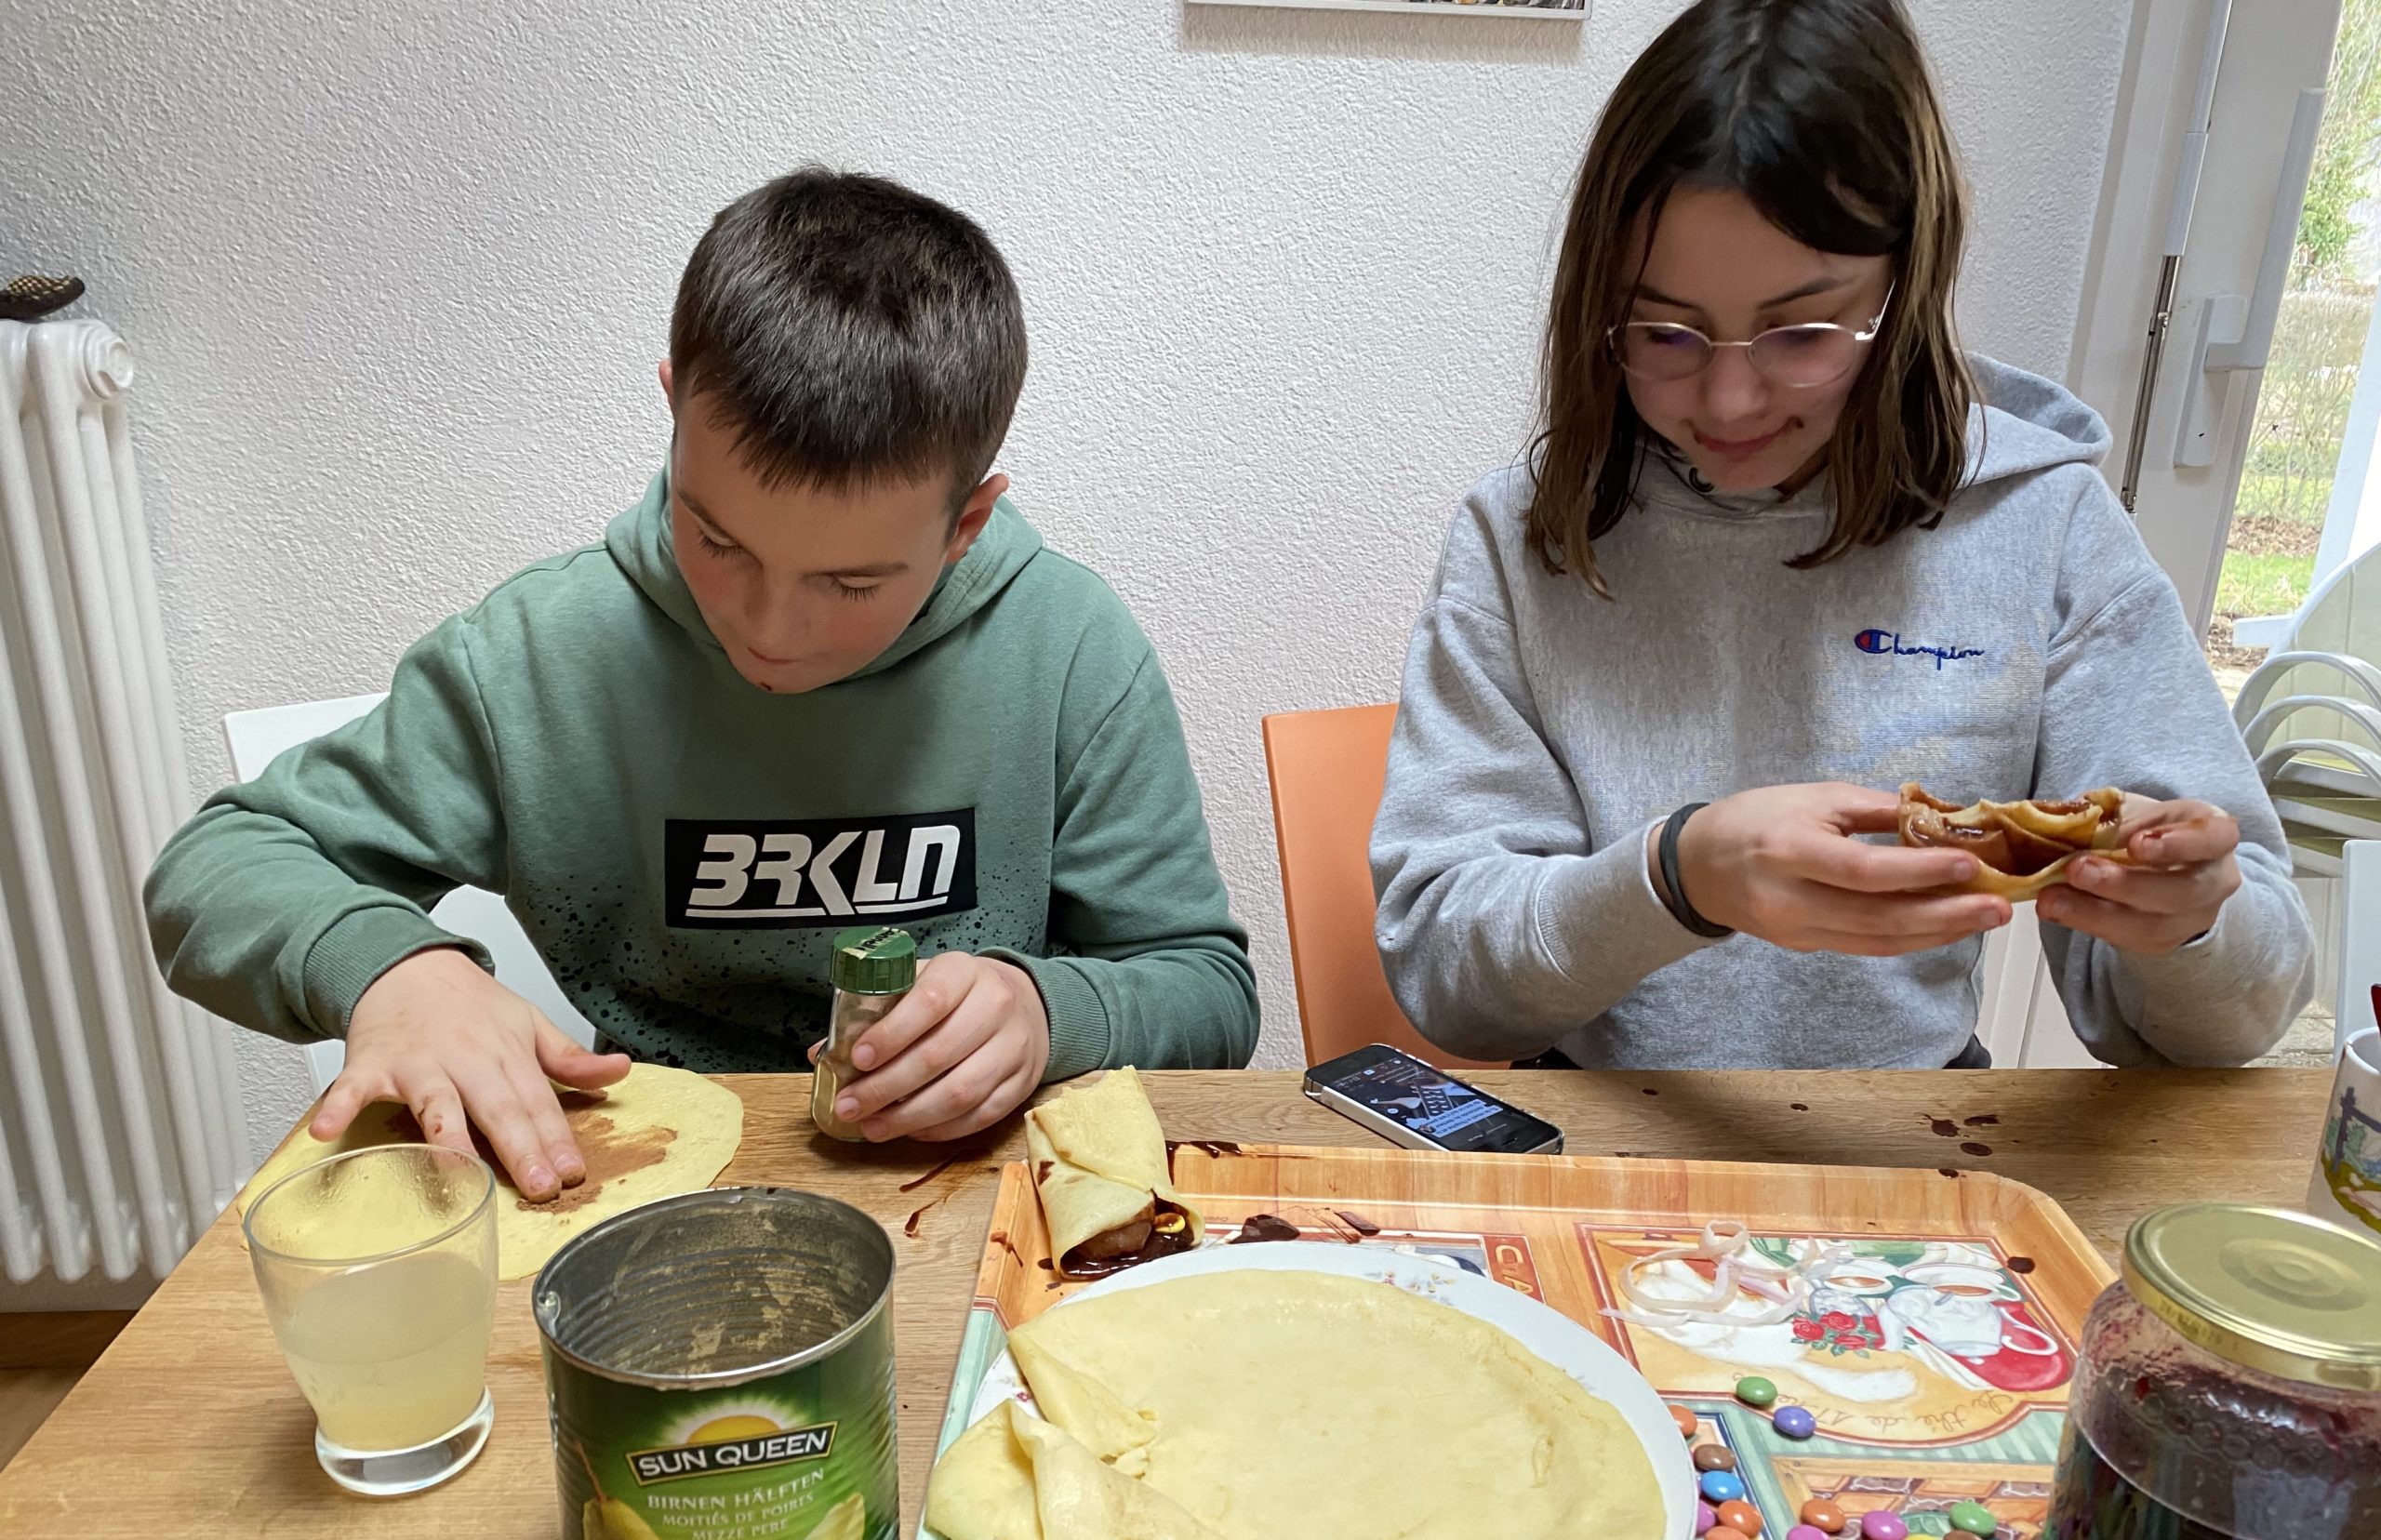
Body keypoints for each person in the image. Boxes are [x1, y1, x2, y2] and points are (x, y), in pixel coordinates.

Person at [148, 169, 1258, 1193]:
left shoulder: (1068, 648)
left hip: (979, 1200)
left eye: (850, 582)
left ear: (966, 523)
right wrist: (392, 970)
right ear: (675, 409)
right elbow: (218, 862)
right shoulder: (541, 655)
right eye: (717, 541)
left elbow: (1205, 988)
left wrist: (1050, 1013)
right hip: (648, 1184)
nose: (769, 631)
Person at [1372, 0, 2313, 1070]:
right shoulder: (1520, 538)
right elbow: (1450, 985)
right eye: (1664, 332)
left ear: (1908, 285)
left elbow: (2240, 1020)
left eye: (1802, 332)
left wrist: (2187, 926)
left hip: (1913, 1131)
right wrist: (1675, 876)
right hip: (1602, 1126)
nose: (1729, 399)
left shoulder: (2042, 525)